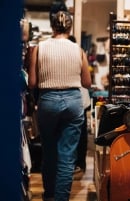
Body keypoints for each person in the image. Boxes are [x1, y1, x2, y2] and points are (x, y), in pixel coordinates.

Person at [28, 11, 91, 201]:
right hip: (73, 101)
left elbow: (32, 82)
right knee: (67, 156)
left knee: (49, 152)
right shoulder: (78, 49)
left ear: (52, 26)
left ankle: (49, 197)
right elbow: (87, 83)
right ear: (70, 27)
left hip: (47, 101)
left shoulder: (40, 47)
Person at [68, 34, 91, 174]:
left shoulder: (74, 53)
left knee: (75, 134)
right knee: (80, 134)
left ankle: (77, 163)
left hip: (76, 99)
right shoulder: (80, 53)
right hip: (81, 99)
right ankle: (80, 163)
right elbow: (88, 82)